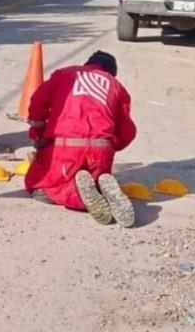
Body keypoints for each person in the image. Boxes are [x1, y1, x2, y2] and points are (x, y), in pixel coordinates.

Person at [24, 51, 137, 227]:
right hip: (101, 151)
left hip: (65, 149)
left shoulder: (64, 74)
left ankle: (80, 198)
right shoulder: (116, 86)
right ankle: (102, 189)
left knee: (40, 187)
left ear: (87, 64)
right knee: (93, 177)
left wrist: (38, 133)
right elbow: (127, 130)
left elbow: (38, 102)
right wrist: (111, 146)